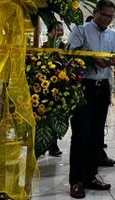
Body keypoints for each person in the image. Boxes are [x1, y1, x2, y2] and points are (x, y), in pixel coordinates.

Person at [67, 0, 115, 198]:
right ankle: (77, 181)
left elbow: (114, 55)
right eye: (104, 15)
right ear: (96, 12)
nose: (107, 19)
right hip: (84, 87)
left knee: (97, 134)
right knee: (81, 134)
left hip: (102, 88)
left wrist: (114, 59)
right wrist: (90, 57)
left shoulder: (112, 35)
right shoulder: (81, 30)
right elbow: (71, 54)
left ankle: (90, 176)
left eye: (110, 16)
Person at [43, 22, 66, 157]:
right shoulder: (46, 46)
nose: (61, 31)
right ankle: (45, 143)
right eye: (57, 29)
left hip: (60, 85)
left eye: (62, 29)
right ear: (50, 31)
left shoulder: (64, 46)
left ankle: (53, 144)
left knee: (57, 114)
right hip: (46, 84)